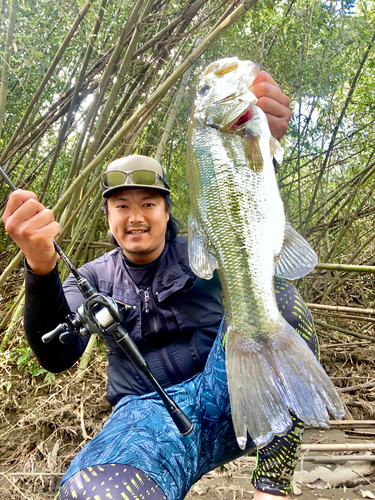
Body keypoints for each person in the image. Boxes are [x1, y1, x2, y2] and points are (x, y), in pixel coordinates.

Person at [3, 71, 317, 500]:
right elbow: (56, 354)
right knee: (96, 494)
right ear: (108, 218)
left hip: (234, 396)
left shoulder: (205, 248)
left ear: (168, 212)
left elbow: (246, 209)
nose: (136, 217)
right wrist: (40, 268)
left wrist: (261, 142)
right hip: (147, 419)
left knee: (278, 299)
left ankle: (272, 486)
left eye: (149, 203)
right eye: (122, 206)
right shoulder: (94, 276)